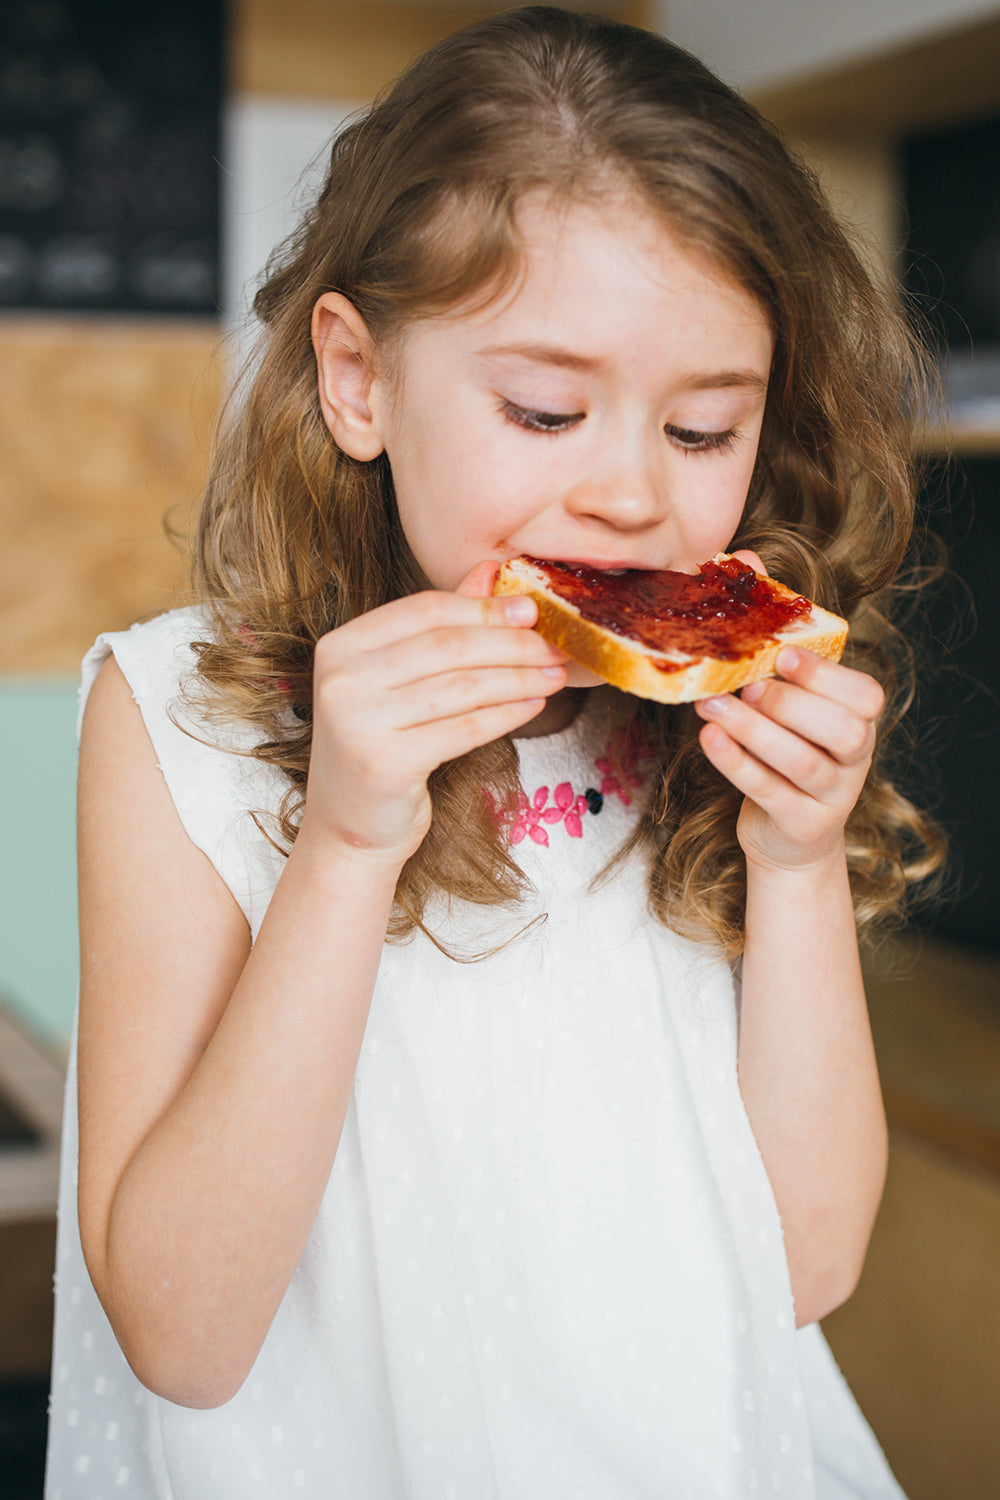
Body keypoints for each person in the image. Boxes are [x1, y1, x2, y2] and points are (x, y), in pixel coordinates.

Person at [46, 8, 943, 1497]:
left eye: (706, 429)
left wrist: (792, 867)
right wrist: (341, 848)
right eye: (545, 409)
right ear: (358, 380)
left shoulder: (711, 722)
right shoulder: (174, 725)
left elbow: (804, 1267)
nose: (632, 499)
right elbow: (185, 1338)